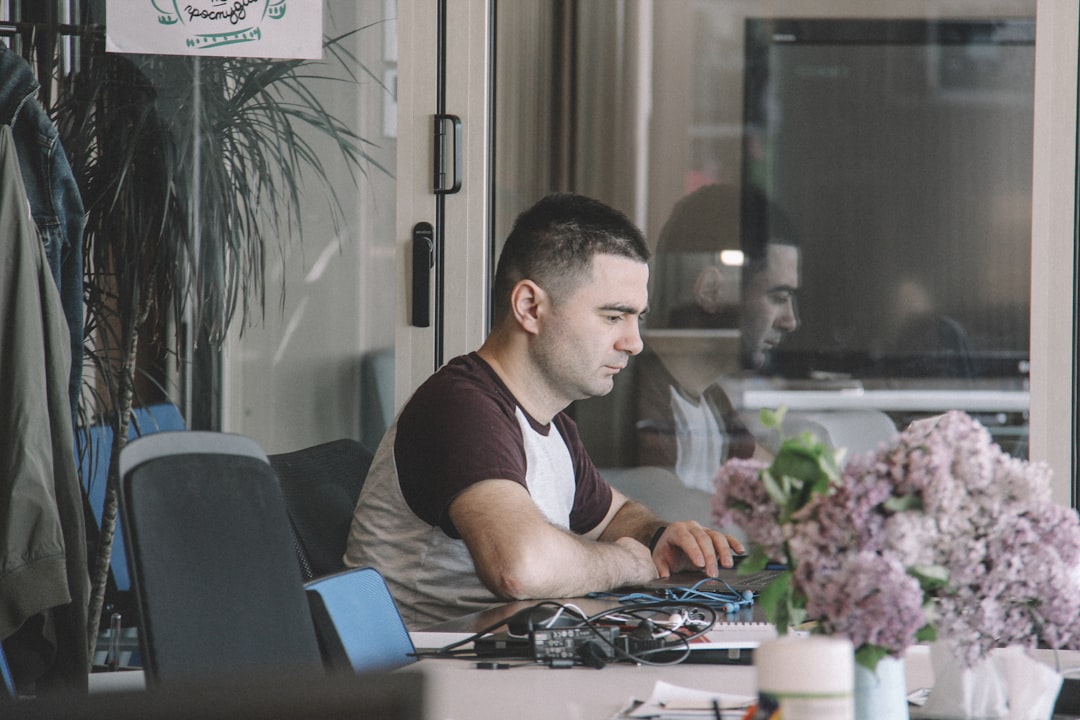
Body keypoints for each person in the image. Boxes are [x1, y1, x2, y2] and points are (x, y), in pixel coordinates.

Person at [344, 192, 744, 629]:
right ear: (530, 307)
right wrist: (627, 563)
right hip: (432, 680)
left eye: (637, 319)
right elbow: (521, 568)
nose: (634, 342)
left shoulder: (552, 424)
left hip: (504, 668)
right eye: (614, 317)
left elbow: (613, 516)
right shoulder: (459, 406)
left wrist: (657, 536)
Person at [635, 184, 800, 490]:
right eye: (778, 297)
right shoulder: (642, 405)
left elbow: (782, 483)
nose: (791, 321)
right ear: (711, 291)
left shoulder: (711, 398)